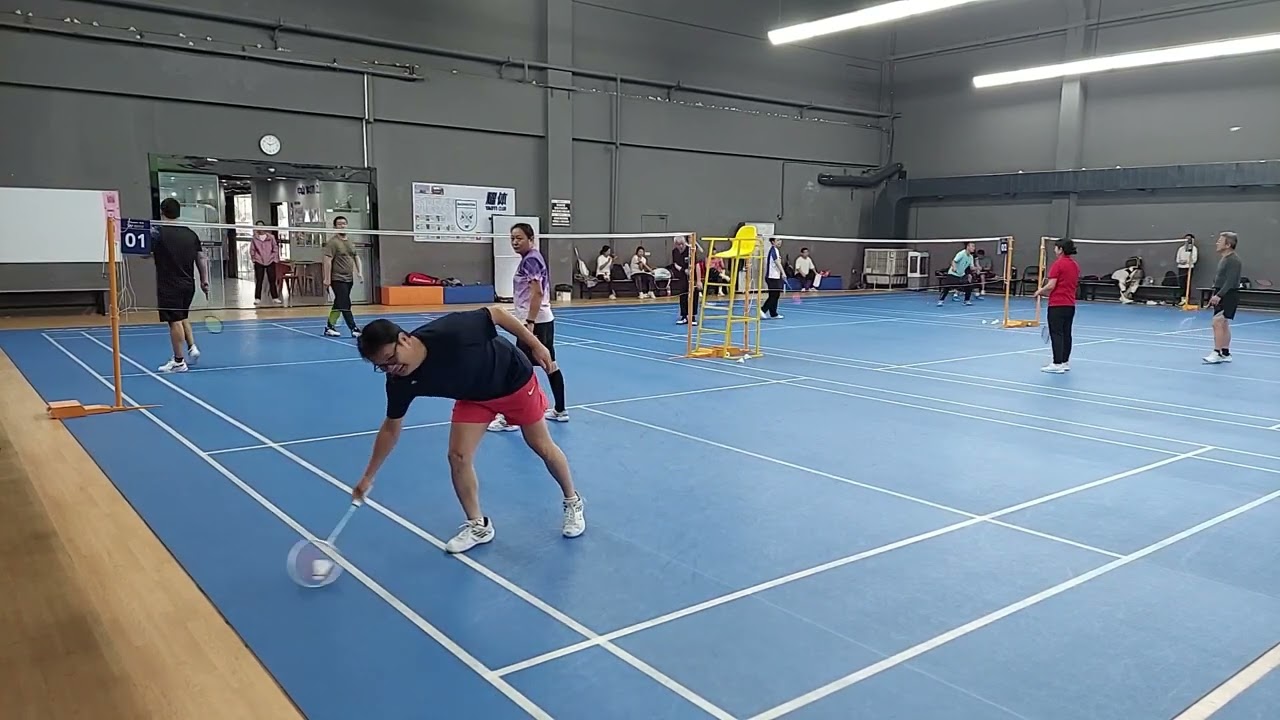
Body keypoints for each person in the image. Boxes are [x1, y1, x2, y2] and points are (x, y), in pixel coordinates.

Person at [353, 308, 585, 553]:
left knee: (541, 446)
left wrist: (536, 345)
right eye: (382, 366)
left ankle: (573, 501)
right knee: (458, 456)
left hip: (513, 382)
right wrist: (368, 476)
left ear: (403, 339)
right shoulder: (400, 382)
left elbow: (497, 314)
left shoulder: (452, 332)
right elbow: (391, 428)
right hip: (474, 397)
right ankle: (478, 525)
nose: (391, 368)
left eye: (391, 359)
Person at [488, 222, 570, 431]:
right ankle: (560, 410)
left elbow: (538, 293)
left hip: (535, 322)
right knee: (549, 364)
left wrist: (529, 323)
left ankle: (509, 419)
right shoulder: (530, 258)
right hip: (542, 320)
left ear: (530, 239)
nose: (515, 242)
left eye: (519, 238)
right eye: (512, 238)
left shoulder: (532, 259)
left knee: (515, 368)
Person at [151, 198, 209, 373]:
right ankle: (191, 347)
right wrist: (204, 280)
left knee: (174, 321)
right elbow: (201, 258)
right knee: (182, 317)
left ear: (162, 212)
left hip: (170, 285)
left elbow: (144, 253)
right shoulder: (190, 234)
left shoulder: (158, 233)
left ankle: (178, 361)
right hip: (188, 285)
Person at [1033, 238, 1080, 373]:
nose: (1054, 250)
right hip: (1070, 305)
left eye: (1056, 247)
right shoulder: (1075, 265)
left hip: (1057, 305)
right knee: (1066, 333)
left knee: (1056, 334)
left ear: (1060, 249)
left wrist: (1039, 291)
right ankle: (1065, 362)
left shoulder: (1058, 264)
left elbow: (1052, 285)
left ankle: (1057, 363)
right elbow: (1065, 286)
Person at [1203, 231, 1242, 365]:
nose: (1217, 243)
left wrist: (1219, 295)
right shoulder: (1225, 258)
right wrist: (1215, 293)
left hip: (1229, 294)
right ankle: (1225, 353)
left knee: (1217, 322)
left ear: (1228, 244)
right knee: (1223, 323)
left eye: (1220, 241)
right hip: (1222, 292)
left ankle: (1217, 352)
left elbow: (1230, 281)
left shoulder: (1233, 260)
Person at [323, 215, 362, 338]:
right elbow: (327, 260)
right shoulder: (333, 243)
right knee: (345, 303)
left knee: (339, 303)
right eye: (339, 224)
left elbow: (356, 256)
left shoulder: (350, 241)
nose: (342, 226)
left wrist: (359, 272)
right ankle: (354, 328)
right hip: (337, 278)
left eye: (344, 223)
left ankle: (329, 327)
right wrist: (327, 278)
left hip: (348, 278)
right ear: (335, 227)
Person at [250, 221, 282, 305]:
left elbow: (275, 248)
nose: (260, 228)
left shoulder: (271, 237)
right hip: (259, 261)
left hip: (270, 260)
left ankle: (275, 297)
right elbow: (252, 250)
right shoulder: (254, 238)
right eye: (258, 226)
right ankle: (257, 298)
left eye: (261, 226)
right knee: (259, 280)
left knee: (272, 279)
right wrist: (254, 259)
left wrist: (274, 259)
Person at [939, 242, 977, 306]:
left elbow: (971, 267)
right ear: (968, 247)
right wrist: (954, 267)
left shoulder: (971, 257)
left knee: (969, 286)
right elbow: (954, 261)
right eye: (972, 246)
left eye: (974, 247)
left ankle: (966, 301)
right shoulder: (961, 253)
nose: (974, 248)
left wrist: (977, 268)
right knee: (947, 288)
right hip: (953, 274)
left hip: (961, 275)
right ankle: (941, 301)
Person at [672, 235, 700, 325]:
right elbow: (675, 264)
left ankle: (692, 317)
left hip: (693, 277)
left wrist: (698, 280)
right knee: (683, 296)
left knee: (693, 296)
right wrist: (684, 270)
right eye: (678, 244)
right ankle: (684, 316)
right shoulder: (674, 252)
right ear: (675, 244)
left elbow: (696, 265)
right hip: (682, 277)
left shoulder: (691, 250)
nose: (680, 246)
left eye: (682, 244)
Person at [760, 236, 784, 319]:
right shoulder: (774, 250)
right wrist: (783, 273)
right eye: (777, 240)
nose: (780, 241)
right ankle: (763, 310)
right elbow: (777, 263)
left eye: (780, 240)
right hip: (771, 277)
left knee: (776, 295)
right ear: (773, 242)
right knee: (774, 295)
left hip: (775, 277)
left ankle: (773, 313)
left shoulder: (776, 250)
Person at [1176, 234, 1198, 304]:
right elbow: (1177, 259)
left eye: (1189, 239)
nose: (1187, 241)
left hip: (1189, 268)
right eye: (1186, 239)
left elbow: (1194, 259)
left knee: (1187, 283)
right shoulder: (1181, 249)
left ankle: (1187, 299)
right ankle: (1182, 299)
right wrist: (1181, 262)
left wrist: (1187, 261)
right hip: (1181, 268)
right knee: (1181, 283)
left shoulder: (1194, 249)